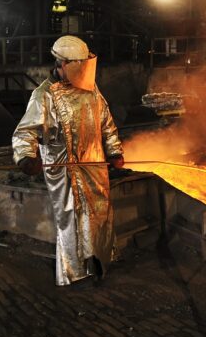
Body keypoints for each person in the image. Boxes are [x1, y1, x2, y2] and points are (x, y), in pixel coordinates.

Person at [12, 35, 124, 286]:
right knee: (71, 220)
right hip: (64, 170)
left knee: (98, 215)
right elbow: (25, 132)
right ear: (62, 63)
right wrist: (26, 158)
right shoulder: (45, 95)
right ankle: (75, 273)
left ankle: (99, 262)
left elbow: (106, 123)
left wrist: (114, 151)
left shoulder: (90, 88)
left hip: (94, 167)